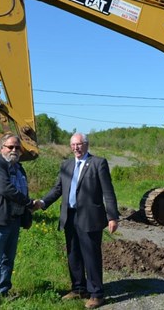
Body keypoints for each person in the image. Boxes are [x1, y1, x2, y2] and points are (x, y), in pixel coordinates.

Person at [35, 132, 119, 309]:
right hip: (70, 216)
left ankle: (97, 293)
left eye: (79, 144)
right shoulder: (66, 164)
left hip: (90, 218)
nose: (76, 148)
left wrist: (112, 216)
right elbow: (58, 188)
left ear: (86, 145)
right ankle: (79, 288)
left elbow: (108, 191)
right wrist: (43, 202)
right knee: (73, 254)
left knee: (91, 256)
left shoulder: (98, 163)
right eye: (73, 145)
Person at [0, 133, 34, 302]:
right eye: (10, 147)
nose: (14, 150)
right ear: (1, 148)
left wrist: (27, 207)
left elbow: (23, 189)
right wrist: (29, 202)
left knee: (8, 260)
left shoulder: (19, 168)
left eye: (17, 148)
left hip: (14, 220)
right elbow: (6, 189)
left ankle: (3, 291)